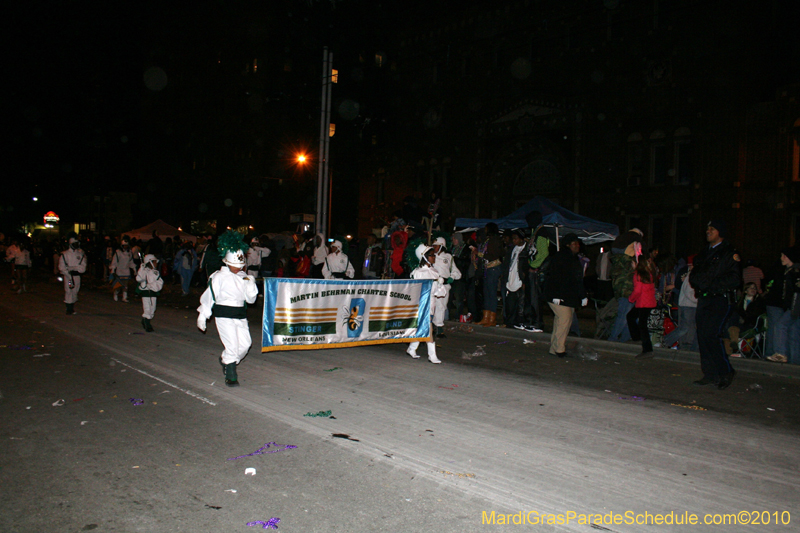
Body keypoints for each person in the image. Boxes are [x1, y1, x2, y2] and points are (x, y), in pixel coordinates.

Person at [196, 231, 259, 387]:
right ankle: (231, 375)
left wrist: (251, 285)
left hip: (240, 315)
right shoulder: (218, 277)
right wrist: (203, 315)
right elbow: (210, 296)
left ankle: (226, 360)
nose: (238, 268)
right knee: (231, 345)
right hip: (223, 314)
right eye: (235, 265)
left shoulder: (243, 277)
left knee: (245, 344)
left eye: (240, 266)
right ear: (227, 262)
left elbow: (251, 300)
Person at [690, 220, 741, 389]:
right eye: (707, 228)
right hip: (704, 298)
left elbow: (734, 278)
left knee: (711, 334)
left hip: (720, 298)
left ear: (720, 232)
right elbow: (695, 273)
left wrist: (711, 284)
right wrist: (699, 283)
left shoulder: (729, 252)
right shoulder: (704, 252)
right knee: (702, 336)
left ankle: (725, 371)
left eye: (712, 229)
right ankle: (710, 374)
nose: (708, 231)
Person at [543, 233, 587, 357]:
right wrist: (556, 295)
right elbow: (555, 276)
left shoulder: (573, 258)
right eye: (574, 244)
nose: (577, 246)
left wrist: (583, 295)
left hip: (567, 296)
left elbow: (577, 279)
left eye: (578, 243)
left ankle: (554, 348)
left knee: (561, 322)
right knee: (564, 320)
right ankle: (559, 349)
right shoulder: (561, 257)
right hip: (558, 295)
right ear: (568, 245)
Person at [406, 244, 446, 363]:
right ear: (424, 257)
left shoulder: (434, 271)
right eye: (431, 255)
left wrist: (440, 284)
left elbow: (439, 293)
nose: (434, 257)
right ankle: (432, 355)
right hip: (421, 304)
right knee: (428, 328)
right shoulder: (418, 273)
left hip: (431, 303)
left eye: (434, 255)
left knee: (422, 327)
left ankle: (412, 348)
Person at [607, 229, 644, 342]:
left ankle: (623, 340)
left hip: (625, 290)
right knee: (624, 316)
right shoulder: (627, 261)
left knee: (629, 317)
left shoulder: (618, 260)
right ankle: (613, 339)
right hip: (628, 290)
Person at [765, 246, 800, 364]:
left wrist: (792, 306)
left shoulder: (794, 271)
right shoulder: (789, 271)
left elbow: (794, 292)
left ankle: (780, 353)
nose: (781, 258)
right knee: (794, 331)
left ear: (787, 256)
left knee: (780, 325)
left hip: (795, 307)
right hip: (793, 307)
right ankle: (795, 361)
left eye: (782, 256)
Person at [661, 260, 699, 351]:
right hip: (688, 305)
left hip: (689, 305)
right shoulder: (691, 277)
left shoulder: (691, 276)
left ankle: (686, 346)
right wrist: (698, 300)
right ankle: (666, 341)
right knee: (684, 328)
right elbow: (689, 293)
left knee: (689, 327)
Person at [431, 236, 461, 337]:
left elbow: (456, 272)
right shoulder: (431, 256)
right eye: (433, 246)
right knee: (432, 305)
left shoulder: (448, 257)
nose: (434, 247)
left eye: (436, 246)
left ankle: (439, 327)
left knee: (441, 306)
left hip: (444, 286)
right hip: (433, 284)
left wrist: (452, 277)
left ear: (441, 246)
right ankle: (431, 326)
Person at [725, 282, 766, 357]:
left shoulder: (759, 302)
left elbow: (755, 315)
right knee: (731, 323)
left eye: (755, 288)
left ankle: (730, 350)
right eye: (751, 288)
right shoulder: (740, 302)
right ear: (746, 290)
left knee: (730, 325)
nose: (753, 290)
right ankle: (733, 343)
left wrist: (743, 318)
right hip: (739, 324)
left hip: (750, 325)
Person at [524, 212, 549, 332]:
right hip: (533, 269)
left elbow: (543, 253)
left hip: (536, 271)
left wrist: (533, 266)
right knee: (530, 297)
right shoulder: (536, 231)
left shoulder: (541, 232)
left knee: (535, 298)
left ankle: (537, 323)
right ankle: (530, 321)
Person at [627, 259, 658, 358]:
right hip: (648, 302)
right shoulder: (648, 274)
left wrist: (631, 299)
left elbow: (637, 291)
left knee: (642, 325)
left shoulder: (638, 275)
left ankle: (647, 349)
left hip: (643, 303)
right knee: (631, 317)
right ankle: (637, 338)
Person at [475, 223, 504, 327]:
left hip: (493, 268)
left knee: (491, 293)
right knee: (486, 293)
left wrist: (480, 254)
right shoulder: (488, 240)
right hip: (488, 268)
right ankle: (486, 317)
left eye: (487, 229)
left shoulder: (495, 240)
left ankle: (492, 319)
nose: (485, 230)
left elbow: (494, 255)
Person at [502, 229, 528, 330]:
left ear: (521, 239)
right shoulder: (512, 249)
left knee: (520, 304)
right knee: (510, 304)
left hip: (520, 280)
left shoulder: (526, 249)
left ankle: (519, 322)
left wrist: (524, 280)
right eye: (513, 239)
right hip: (510, 279)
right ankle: (510, 323)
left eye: (516, 238)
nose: (514, 241)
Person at [58, 234, 87, 315]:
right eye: (75, 244)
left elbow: (83, 268)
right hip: (68, 276)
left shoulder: (80, 254)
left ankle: (72, 307)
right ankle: (69, 308)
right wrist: (68, 274)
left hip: (77, 276)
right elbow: (62, 267)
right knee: (69, 291)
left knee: (75, 291)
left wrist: (72, 268)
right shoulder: (65, 254)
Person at [136, 254, 164, 332]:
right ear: (150, 262)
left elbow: (160, 282)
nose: (156, 263)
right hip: (145, 293)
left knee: (152, 309)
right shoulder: (144, 271)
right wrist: (141, 269)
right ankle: (147, 324)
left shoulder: (155, 272)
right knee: (147, 308)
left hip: (153, 293)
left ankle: (144, 320)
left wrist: (151, 286)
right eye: (154, 262)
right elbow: (139, 278)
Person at [110, 237, 136, 302]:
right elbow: (114, 261)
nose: (125, 247)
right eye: (124, 245)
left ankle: (124, 297)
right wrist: (113, 269)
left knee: (125, 285)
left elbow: (131, 262)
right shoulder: (118, 252)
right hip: (119, 271)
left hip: (126, 271)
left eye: (126, 245)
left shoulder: (129, 253)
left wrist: (134, 270)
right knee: (118, 285)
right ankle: (115, 294)